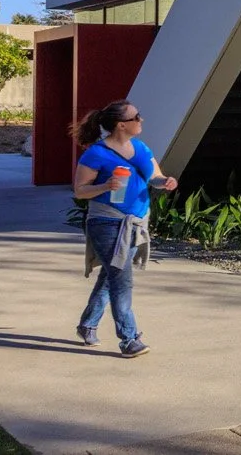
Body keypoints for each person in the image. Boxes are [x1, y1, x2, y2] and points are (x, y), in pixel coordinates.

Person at [71, 100, 175, 357]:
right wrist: (106, 186)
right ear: (121, 125)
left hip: (136, 222)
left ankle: (87, 325)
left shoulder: (140, 147)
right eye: (137, 117)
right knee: (121, 280)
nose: (142, 120)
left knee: (111, 277)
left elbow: (154, 176)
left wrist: (165, 182)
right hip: (106, 222)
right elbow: (80, 191)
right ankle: (129, 339)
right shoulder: (96, 154)